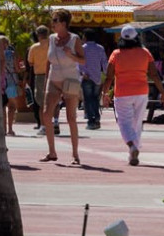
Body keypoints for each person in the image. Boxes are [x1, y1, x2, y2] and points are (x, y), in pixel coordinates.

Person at [102, 24, 164, 166]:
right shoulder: (145, 53)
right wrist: (162, 92)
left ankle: (132, 146)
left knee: (124, 123)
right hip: (141, 92)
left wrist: (105, 93)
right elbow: (154, 74)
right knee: (137, 123)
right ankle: (135, 151)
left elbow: (108, 77)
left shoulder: (116, 54)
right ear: (136, 37)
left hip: (122, 93)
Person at [40, 9, 86, 165]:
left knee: (71, 118)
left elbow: (82, 61)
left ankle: (75, 154)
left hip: (70, 81)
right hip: (54, 80)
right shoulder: (52, 39)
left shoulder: (74, 39)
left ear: (64, 23)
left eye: (55, 20)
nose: (52, 24)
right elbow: (48, 60)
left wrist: (71, 55)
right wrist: (46, 79)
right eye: (53, 20)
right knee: (46, 115)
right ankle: (52, 152)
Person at [81, 30, 108, 130]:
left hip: (86, 77)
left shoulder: (82, 48)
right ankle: (97, 118)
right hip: (97, 77)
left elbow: (79, 63)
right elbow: (104, 62)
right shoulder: (100, 48)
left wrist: (82, 73)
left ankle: (91, 121)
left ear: (85, 37)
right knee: (95, 99)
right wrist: (106, 74)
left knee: (88, 100)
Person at [27, 26, 51, 131]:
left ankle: (43, 125)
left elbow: (30, 62)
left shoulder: (34, 47)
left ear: (38, 35)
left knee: (41, 102)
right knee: (52, 101)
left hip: (40, 76)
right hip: (52, 74)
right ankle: (54, 123)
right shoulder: (52, 45)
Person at [0, 35, 22, 136]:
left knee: (2, 106)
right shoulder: (12, 54)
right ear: (7, 44)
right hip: (11, 81)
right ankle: (10, 129)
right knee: (12, 106)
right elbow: (17, 69)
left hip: (0, 81)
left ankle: (3, 129)